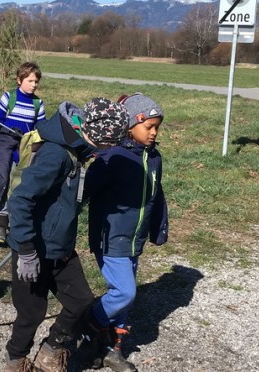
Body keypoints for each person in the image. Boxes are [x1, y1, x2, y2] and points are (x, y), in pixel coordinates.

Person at [3, 98, 130, 372]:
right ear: (98, 135)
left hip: (60, 248)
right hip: (34, 248)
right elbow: (21, 200)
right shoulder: (57, 154)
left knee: (81, 301)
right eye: (109, 143)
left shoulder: (77, 152)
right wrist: (25, 249)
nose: (109, 149)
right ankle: (15, 360)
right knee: (31, 312)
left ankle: (51, 349)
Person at [80, 93, 168, 372]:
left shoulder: (154, 159)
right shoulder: (111, 157)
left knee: (122, 299)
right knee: (126, 293)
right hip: (111, 238)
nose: (154, 133)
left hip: (135, 239)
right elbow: (83, 192)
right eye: (148, 127)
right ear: (130, 125)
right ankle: (90, 324)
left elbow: (157, 196)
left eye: (157, 127)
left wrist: (158, 227)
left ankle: (109, 349)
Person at [0, 61, 46, 245]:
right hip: (5, 150)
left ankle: (7, 223)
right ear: (19, 80)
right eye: (30, 80)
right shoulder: (9, 97)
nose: (34, 85)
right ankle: (1, 223)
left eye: (36, 81)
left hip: (24, 153)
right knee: (3, 185)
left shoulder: (38, 104)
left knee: (16, 188)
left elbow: (41, 129)